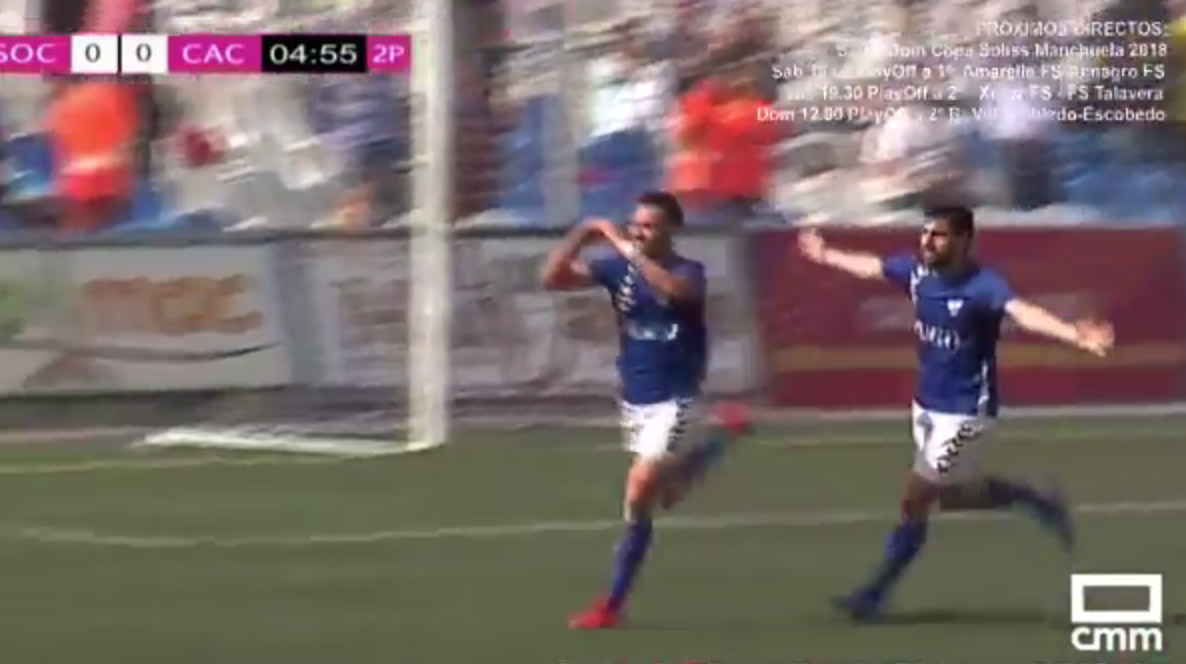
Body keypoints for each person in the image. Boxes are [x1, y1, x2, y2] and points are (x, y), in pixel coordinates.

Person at [797, 206, 1115, 621]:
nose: (927, 242)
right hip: (927, 404)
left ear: (964, 241)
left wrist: (1075, 334)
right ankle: (1036, 499)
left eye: (939, 236)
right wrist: (825, 255)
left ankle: (873, 594)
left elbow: (1023, 312)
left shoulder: (984, 286)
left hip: (966, 412)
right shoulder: (916, 274)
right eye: (926, 233)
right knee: (953, 495)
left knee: (916, 496)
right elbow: (873, 267)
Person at [540, 191, 752, 629]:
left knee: (639, 488)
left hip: (677, 390)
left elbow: (674, 292)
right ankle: (714, 444)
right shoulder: (619, 269)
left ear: (672, 230)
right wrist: (583, 234)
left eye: (650, 225)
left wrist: (623, 245)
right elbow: (553, 278)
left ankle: (610, 605)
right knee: (660, 494)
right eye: (635, 224)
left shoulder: (687, 271)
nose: (639, 231)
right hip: (636, 392)